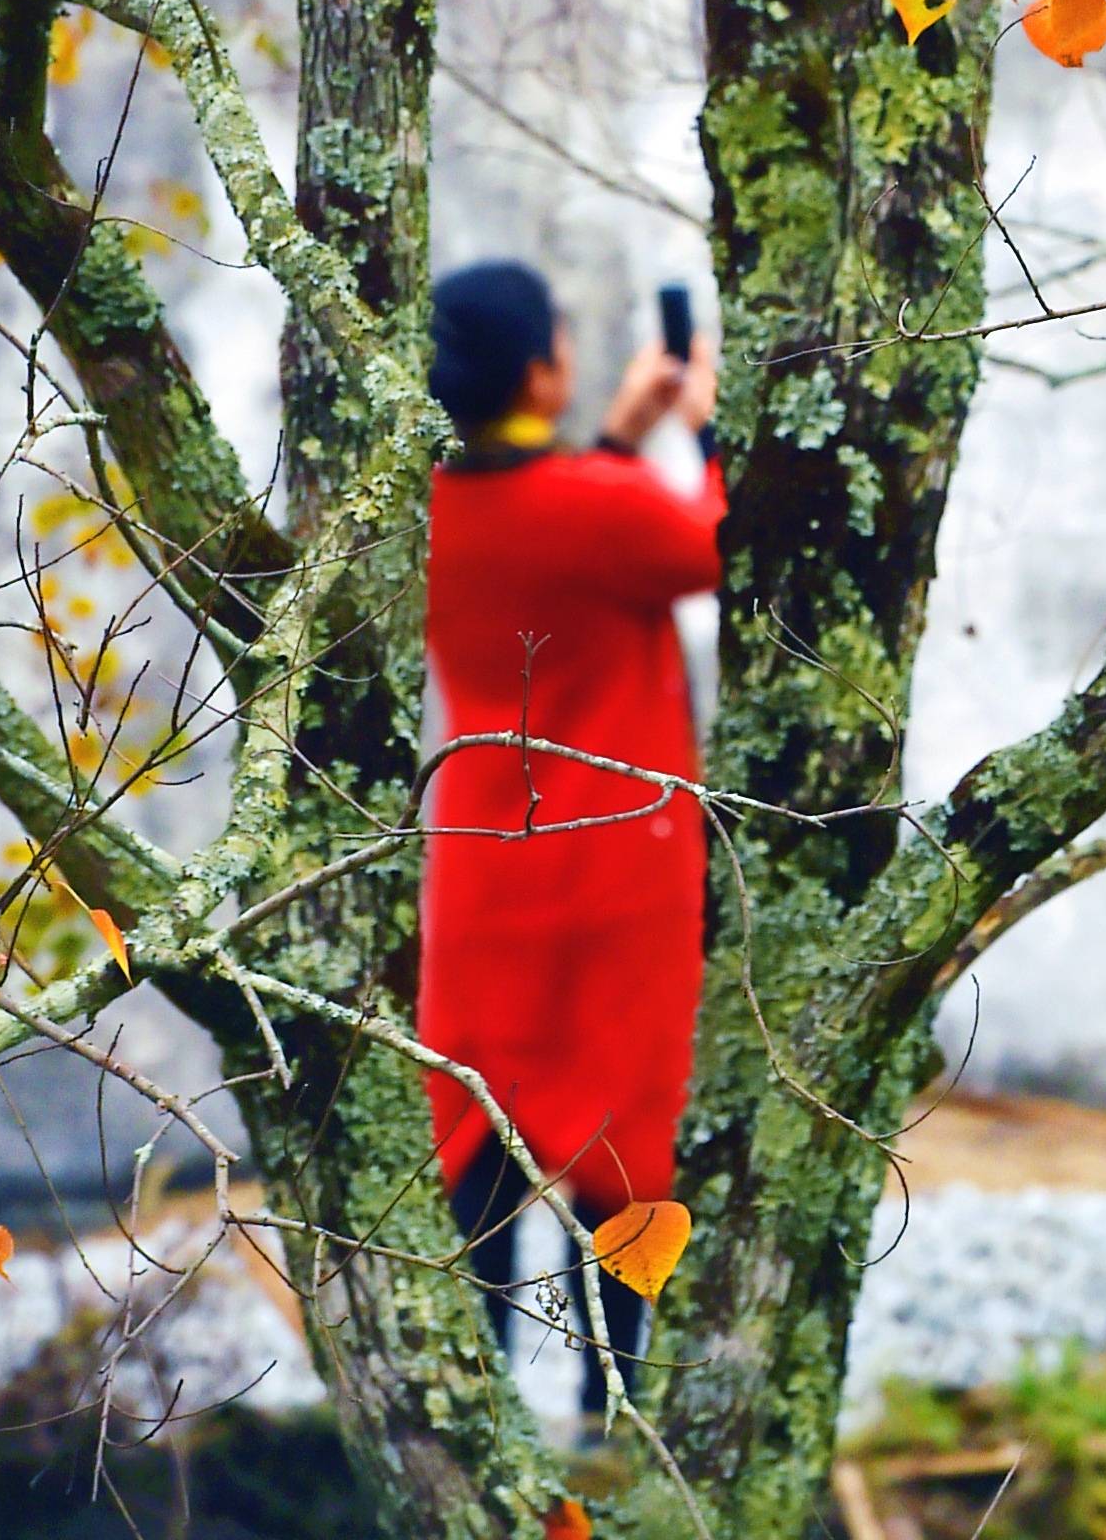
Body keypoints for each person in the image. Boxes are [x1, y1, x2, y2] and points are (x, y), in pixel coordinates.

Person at [420, 258, 721, 1420]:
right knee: (626, 1130)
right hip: (618, 872)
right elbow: (703, 542)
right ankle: (615, 1405)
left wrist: (611, 433)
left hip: (483, 870)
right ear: (544, 364)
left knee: (479, 1127)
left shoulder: (430, 511)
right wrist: (695, 429)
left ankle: (477, 1412)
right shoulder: (604, 507)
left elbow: (541, 504)